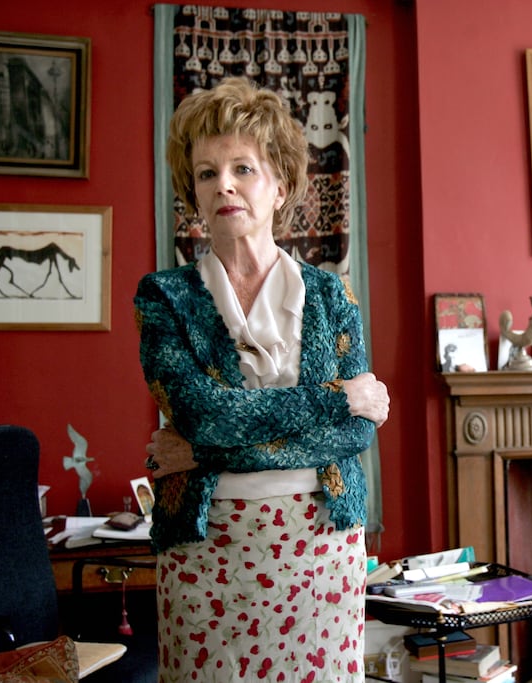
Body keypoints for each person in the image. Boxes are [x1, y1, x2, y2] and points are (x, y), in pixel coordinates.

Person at [133, 76, 389, 682]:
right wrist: (336, 399)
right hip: (205, 549)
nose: (223, 184)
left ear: (279, 186)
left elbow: (355, 437)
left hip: (321, 549)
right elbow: (207, 414)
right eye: (205, 173)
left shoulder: (330, 295)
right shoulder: (163, 298)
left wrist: (199, 452)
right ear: (193, 194)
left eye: (242, 168)